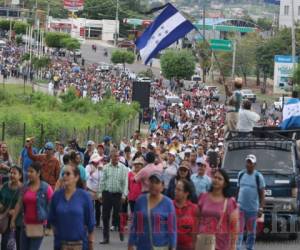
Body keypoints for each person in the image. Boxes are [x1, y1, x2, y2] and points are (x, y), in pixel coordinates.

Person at [48, 164, 95, 250]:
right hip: (61, 245)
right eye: (63, 174)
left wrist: (90, 243)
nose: (64, 176)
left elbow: (90, 223)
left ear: (76, 177)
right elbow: (52, 219)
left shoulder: (84, 196)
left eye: (68, 174)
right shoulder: (57, 196)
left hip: (80, 245)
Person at [128, 173, 177, 250]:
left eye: (157, 183)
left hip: (161, 246)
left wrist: (173, 246)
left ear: (162, 186)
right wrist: (131, 243)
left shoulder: (168, 203)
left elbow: (172, 229)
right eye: (151, 182)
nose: (153, 185)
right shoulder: (140, 200)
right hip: (142, 246)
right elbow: (135, 224)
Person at [11, 162, 53, 250]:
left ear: (38, 173)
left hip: (39, 225)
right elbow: (19, 203)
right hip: (25, 225)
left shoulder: (46, 188)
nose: (28, 174)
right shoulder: (25, 186)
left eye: (31, 171)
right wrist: (13, 220)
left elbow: (53, 206)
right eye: (27, 171)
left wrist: (50, 226)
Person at [197, 169, 239, 250]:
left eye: (219, 179)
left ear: (225, 183)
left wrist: (233, 245)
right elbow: (196, 219)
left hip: (220, 244)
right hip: (203, 241)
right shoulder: (203, 197)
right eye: (215, 177)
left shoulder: (230, 202)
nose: (216, 180)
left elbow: (234, 226)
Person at [98, 149, 128, 244]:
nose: (116, 158)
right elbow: (102, 181)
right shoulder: (106, 167)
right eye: (114, 156)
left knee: (118, 215)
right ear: (111, 157)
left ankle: (121, 229)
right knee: (105, 216)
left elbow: (125, 183)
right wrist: (100, 193)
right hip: (107, 194)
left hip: (118, 195)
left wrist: (124, 195)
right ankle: (106, 238)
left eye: (117, 156)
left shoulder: (123, 168)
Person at [236, 155, 265, 250]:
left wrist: (261, 208)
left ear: (254, 164)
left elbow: (262, 194)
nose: (248, 164)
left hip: (253, 210)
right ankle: (237, 248)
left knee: (251, 233)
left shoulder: (258, 176)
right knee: (238, 232)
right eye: (247, 162)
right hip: (240, 208)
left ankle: (249, 248)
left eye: (250, 163)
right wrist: (235, 204)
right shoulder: (241, 174)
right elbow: (238, 190)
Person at [0, 165, 23, 250]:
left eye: (14, 173)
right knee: (4, 243)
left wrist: (17, 211)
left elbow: (27, 205)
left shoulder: (23, 188)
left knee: (19, 243)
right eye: (10, 172)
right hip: (6, 219)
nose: (11, 175)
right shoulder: (5, 186)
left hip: (19, 220)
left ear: (20, 175)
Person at [173, 179, 199, 250]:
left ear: (186, 193)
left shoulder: (194, 208)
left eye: (179, 190)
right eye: (175, 188)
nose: (175, 191)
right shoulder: (169, 205)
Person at [85, 154, 103, 228]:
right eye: (97, 160)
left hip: (98, 191)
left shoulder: (100, 167)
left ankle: (97, 222)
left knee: (98, 208)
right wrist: (90, 173)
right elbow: (85, 176)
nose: (98, 161)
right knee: (90, 207)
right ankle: (90, 221)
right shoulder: (88, 167)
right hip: (90, 190)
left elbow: (102, 177)